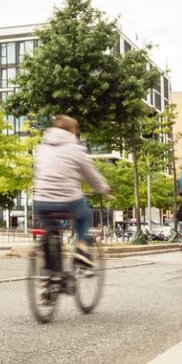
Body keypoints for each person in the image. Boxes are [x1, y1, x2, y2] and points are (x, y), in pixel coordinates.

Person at [32, 115, 111, 269]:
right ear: (71, 131)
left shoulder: (42, 147)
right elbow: (91, 175)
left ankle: (49, 278)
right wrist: (104, 188)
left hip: (41, 201)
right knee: (85, 214)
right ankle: (81, 250)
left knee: (51, 234)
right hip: (68, 200)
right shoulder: (75, 148)